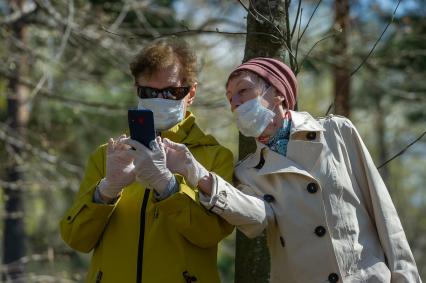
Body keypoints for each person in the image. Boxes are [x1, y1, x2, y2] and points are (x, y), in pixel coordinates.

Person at [163, 58, 422, 283]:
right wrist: (195, 173)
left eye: (243, 91)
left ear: (277, 93)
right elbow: (256, 219)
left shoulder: (336, 132)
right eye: (231, 99)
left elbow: (384, 214)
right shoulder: (247, 171)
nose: (235, 103)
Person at [59, 37, 234, 283]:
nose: (159, 99)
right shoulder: (108, 155)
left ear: (191, 92)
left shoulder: (215, 157)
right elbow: (76, 238)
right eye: (150, 92)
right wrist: (106, 191)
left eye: (172, 92)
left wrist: (169, 187)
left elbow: (210, 233)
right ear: (137, 90)